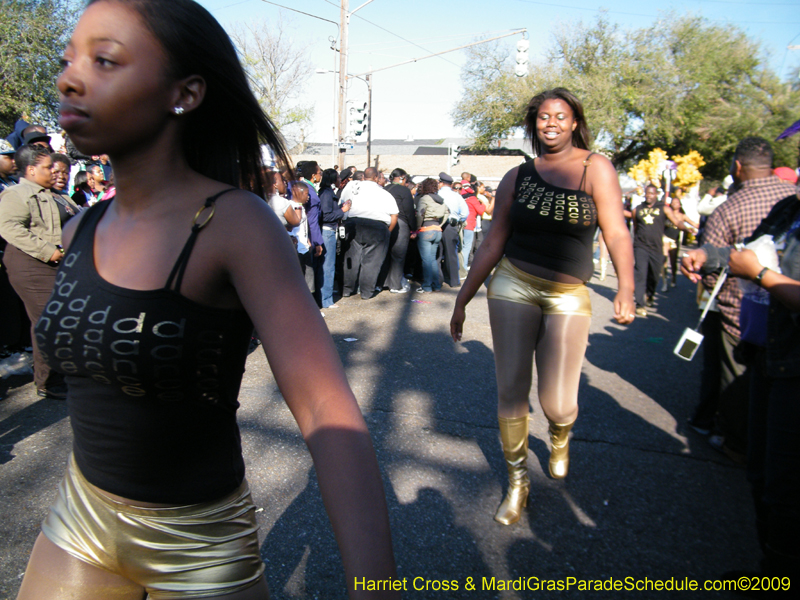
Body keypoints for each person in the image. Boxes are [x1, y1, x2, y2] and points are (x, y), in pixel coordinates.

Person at [16, 1, 398, 598]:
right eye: (69, 59)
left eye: (105, 60)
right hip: (78, 520)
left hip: (199, 546)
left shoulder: (234, 225)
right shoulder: (79, 231)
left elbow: (327, 411)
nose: (68, 76)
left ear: (186, 93)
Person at [450, 88, 635, 526]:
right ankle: (517, 482)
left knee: (557, 402)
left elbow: (617, 232)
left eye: (560, 116)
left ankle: (559, 433)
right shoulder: (519, 174)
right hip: (514, 283)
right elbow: (494, 239)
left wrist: (627, 287)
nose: (551, 123)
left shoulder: (596, 167)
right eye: (543, 117)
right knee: (511, 390)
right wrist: (463, 298)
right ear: (534, 125)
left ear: (575, 122)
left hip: (568, 293)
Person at [682, 188, 800, 584]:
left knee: (785, 488)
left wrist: (762, 276)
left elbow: (758, 267)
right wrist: (712, 257)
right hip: (769, 354)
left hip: (794, 369)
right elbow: (746, 250)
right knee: (763, 474)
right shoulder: (789, 209)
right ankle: (772, 574)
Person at [0, 144, 79, 400]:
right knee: (47, 320)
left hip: (57, 264)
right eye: (48, 167)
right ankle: (48, 381)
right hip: (32, 264)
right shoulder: (18, 193)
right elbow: (9, 227)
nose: (53, 171)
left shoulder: (55, 194)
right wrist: (48, 250)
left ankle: (64, 372)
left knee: (61, 318)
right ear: (32, 170)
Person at [626, 184, 687, 317]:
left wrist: (687, 228)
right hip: (641, 246)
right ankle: (640, 304)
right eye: (647, 193)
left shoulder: (664, 208)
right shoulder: (638, 210)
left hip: (656, 248)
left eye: (652, 193)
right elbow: (636, 227)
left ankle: (650, 295)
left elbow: (676, 222)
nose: (649, 196)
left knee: (654, 275)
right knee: (640, 273)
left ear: (656, 195)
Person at [318, 167, 351, 308]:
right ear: (332, 179)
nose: (340, 180)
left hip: (330, 231)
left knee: (328, 266)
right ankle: (326, 299)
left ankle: (327, 296)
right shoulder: (326, 193)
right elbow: (326, 216)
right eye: (338, 177)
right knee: (328, 266)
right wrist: (342, 211)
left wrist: (340, 208)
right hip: (327, 232)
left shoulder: (327, 192)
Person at [414, 177, 449, 293]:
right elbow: (447, 213)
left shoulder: (424, 198)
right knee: (433, 259)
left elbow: (420, 213)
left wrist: (418, 226)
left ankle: (427, 286)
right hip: (437, 230)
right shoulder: (441, 200)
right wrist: (440, 224)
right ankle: (437, 285)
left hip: (426, 230)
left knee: (426, 260)